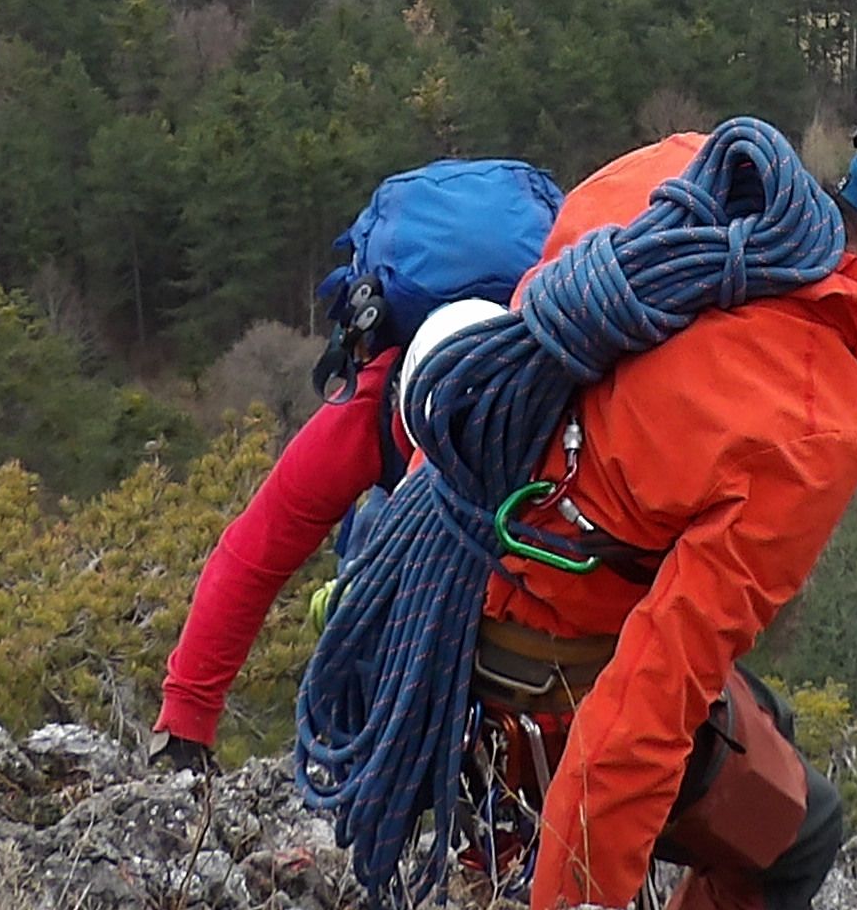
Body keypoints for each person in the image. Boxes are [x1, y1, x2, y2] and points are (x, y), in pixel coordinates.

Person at [300, 1, 857, 910]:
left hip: (424, 584)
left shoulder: (681, 172)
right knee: (800, 834)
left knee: (764, 716)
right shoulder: (813, 421)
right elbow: (644, 706)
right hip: (532, 683)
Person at [150, 140, 698, 773]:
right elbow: (258, 550)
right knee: (385, 555)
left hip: (550, 628)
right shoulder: (566, 393)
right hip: (565, 605)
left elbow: (257, 550)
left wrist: (186, 720)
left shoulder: (381, 409)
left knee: (383, 565)